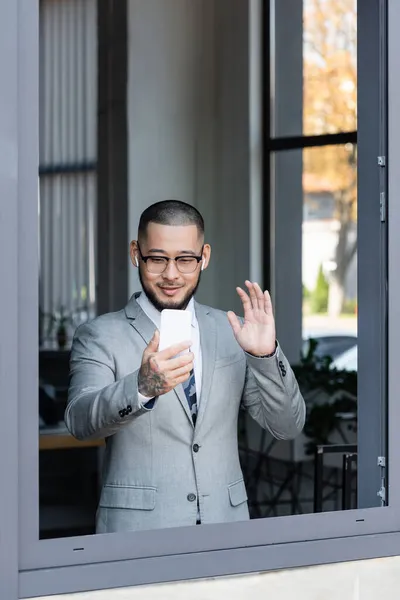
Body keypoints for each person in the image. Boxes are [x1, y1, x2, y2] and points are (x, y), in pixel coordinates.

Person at [65, 200, 305, 533]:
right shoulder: (100, 334)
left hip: (226, 525)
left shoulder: (230, 329)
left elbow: (288, 426)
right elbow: (80, 421)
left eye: (185, 260)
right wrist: (141, 388)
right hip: (139, 530)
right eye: (158, 259)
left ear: (204, 257)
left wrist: (265, 357)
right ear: (136, 253)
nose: (171, 274)